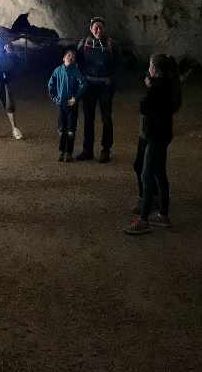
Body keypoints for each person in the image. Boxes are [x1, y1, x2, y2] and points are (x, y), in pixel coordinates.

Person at [125, 54, 182, 235]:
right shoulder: (169, 85)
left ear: (155, 70)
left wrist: (150, 87)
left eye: (150, 65)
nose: (148, 68)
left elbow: (146, 107)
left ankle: (144, 220)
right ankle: (163, 215)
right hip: (161, 134)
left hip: (154, 136)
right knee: (159, 173)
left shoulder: (159, 88)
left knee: (147, 175)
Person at [76, 17, 118, 162]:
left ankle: (105, 150)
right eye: (95, 27)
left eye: (100, 27)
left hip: (105, 87)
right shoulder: (84, 44)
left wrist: (112, 82)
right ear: (91, 29)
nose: (98, 30)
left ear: (104, 29)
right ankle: (88, 150)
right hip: (89, 87)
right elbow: (78, 63)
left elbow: (119, 65)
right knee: (88, 119)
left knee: (106, 119)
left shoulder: (111, 44)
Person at [48, 49, 86, 162]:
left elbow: (84, 84)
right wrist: (55, 98)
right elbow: (51, 85)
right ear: (64, 58)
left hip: (72, 105)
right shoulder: (58, 71)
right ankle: (61, 152)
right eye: (69, 55)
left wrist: (76, 97)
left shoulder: (75, 71)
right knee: (61, 129)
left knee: (71, 130)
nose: (71, 57)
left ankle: (69, 153)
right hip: (62, 105)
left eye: (73, 57)